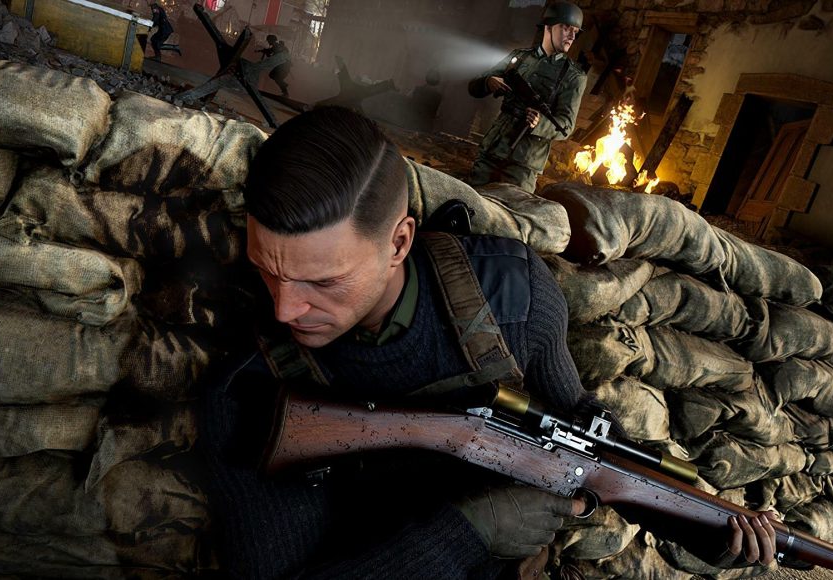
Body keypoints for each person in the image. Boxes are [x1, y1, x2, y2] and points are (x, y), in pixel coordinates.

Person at [198, 106, 778, 578]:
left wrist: (705, 526)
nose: (285, 308)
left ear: (399, 242)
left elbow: (579, 431)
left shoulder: (512, 297)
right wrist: (471, 530)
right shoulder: (253, 389)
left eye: (323, 282)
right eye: (266, 270)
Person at [467, 1, 588, 193]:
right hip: (493, 149)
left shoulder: (574, 76)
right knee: (470, 202)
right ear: (549, 27)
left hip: (524, 165)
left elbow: (566, 126)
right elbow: (474, 88)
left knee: (513, 210)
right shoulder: (520, 57)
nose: (572, 36)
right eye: (566, 28)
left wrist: (540, 123)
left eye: (575, 31)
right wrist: (488, 82)